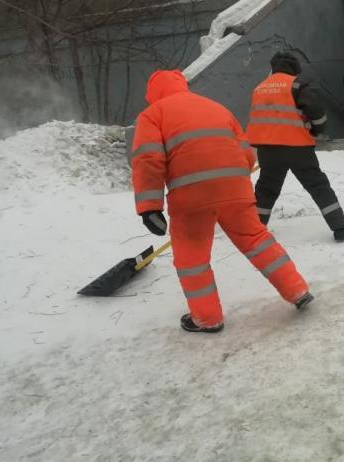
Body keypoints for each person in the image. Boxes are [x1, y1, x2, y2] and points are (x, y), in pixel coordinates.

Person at [131, 70, 314, 334]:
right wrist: (233, 178)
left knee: (192, 257)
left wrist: (149, 207)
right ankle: (297, 289)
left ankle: (207, 318)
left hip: (191, 197)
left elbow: (148, 160)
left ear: (153, 94)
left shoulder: (152, 115)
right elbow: (246, 151)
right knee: (257, 239)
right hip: (236, 189)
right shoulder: (216, 107)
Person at [247, 52, 344, 242]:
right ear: (294, 68)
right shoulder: (296, 85)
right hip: (297, 148)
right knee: (318, 186)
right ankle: (340, 228)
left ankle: (254, 230)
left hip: (267, 150)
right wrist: (317, 129)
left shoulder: (259, 88)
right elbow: (316, 112)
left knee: (266, 190)